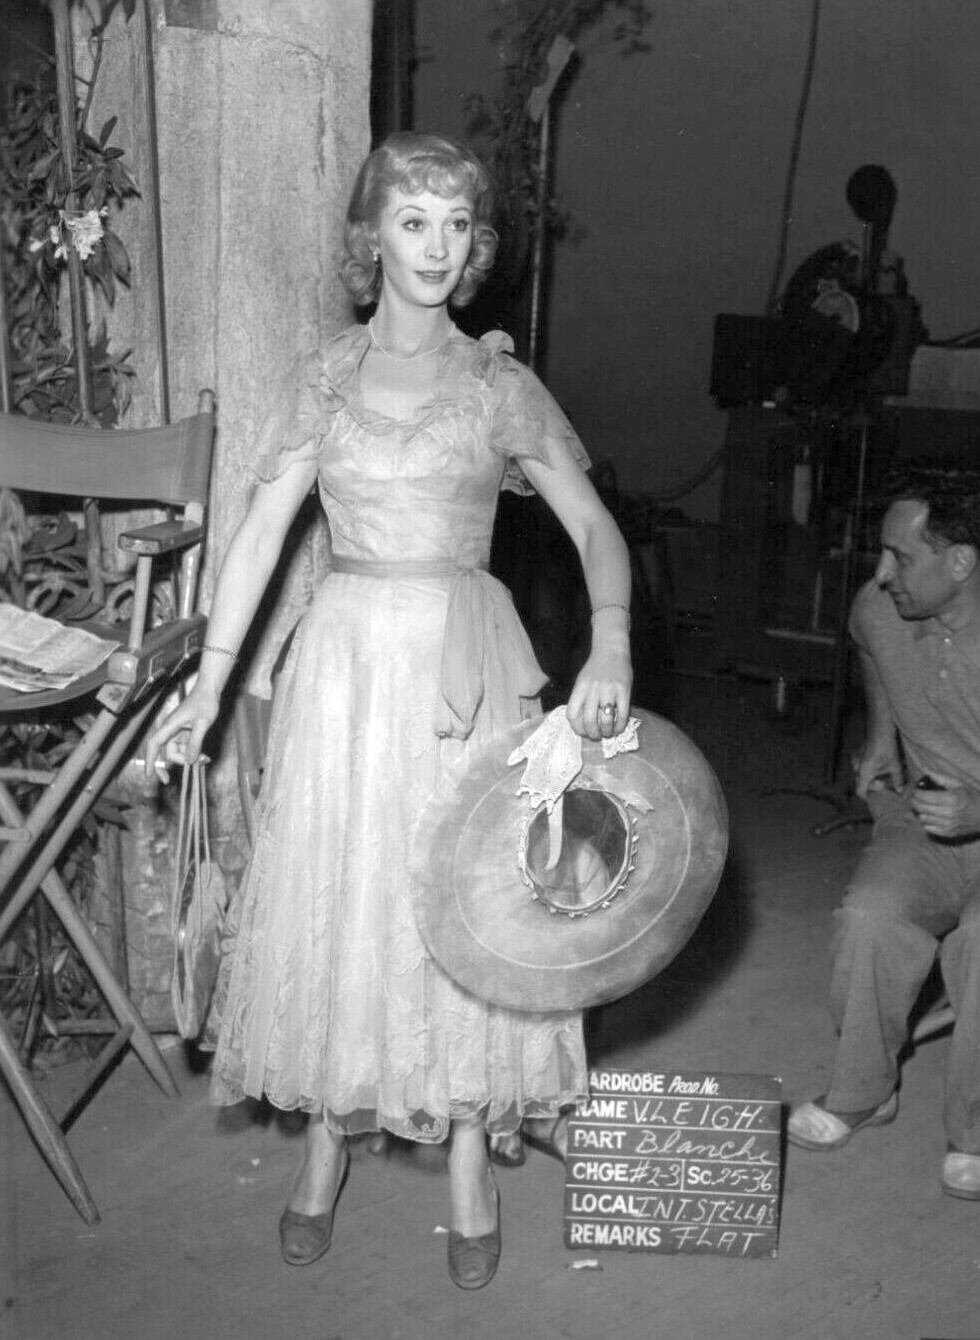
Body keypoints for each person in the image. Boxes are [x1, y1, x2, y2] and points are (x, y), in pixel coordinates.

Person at [145, 131, 632, 1288]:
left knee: (463, 902)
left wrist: (610, 640)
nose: (437, 244)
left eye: (456, 224)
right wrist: (208, 688)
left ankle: (467, 1153)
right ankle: (327, 1137)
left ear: (475, 245)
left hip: (464, 670)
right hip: (346, 670)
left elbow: (592, 525)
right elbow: (258, 536)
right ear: (373, 238)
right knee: (344, 896)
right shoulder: (323, 378)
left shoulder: (498, 383)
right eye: (413, 220)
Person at [787, 465, 980, 1201]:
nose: (881, 573)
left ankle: (977, 1132)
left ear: (961, 562)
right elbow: (868, 642)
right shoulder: (882, 607)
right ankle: (863, 1091)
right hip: (924, 823)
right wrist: (882, 732)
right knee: (869, 918)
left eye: (900, 557)